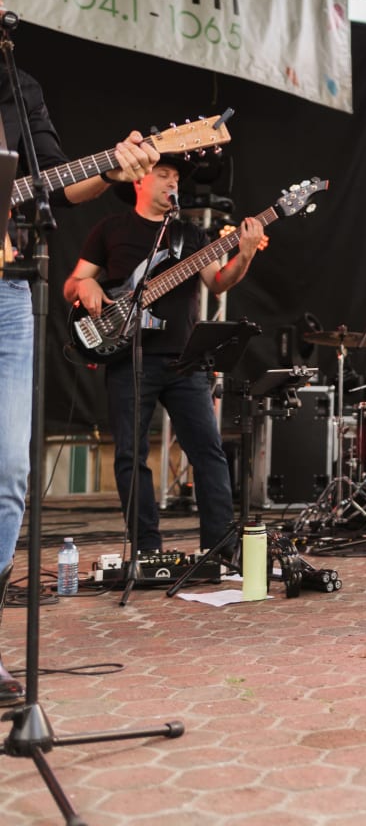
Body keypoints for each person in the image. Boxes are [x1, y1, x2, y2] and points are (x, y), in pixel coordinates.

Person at [1, 0, 160, 706]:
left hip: (9, 291)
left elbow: (56, 185)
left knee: (10, 472)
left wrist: (110, 169)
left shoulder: (17, 84)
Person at [62, 157, 265, 564]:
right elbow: (71, 284)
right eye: (164, 175)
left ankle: (220, 549)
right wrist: (85, 286)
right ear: (140, 181)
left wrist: (244, 255)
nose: (173, 183)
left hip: (184, 361)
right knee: (129, 456)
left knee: (208, 452)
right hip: (128, 357)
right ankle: (146, 550)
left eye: (176, 178)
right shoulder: (111, 229)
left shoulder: (191, 234)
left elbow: (219, 283)